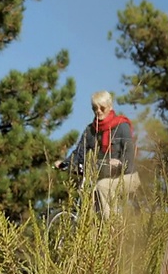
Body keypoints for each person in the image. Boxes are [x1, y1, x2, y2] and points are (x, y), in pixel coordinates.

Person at [54, 90, 141, 218]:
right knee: (88, 192)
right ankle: (92, 235)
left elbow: (129, 153)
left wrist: (120, 164)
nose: (98, 111)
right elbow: (79, 153)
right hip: (104, 175)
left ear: (110, 107)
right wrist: (65, 163)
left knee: (103, 186)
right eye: (95, 108)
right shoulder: (90, 131)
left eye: (102, 108)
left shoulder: (121, 126)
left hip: (128, 176)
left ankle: (112, 229)